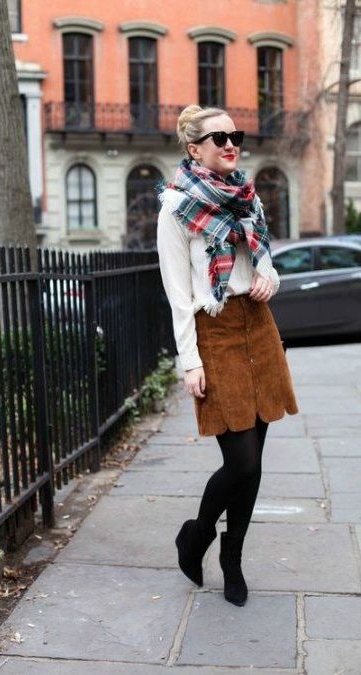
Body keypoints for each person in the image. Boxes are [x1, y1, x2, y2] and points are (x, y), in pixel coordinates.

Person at [156, 105, 299, 607]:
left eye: (233, 135)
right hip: (214, 332)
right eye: (217, 138)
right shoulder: (176, 208)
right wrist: (189, 361)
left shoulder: (245, 195)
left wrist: (269, 279)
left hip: (258, 327)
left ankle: (231, 559)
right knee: (240, 462)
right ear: (194, 149)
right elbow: (178, 291)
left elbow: (266, 263)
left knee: (255, 462)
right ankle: (196, 536)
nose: (229, 144)